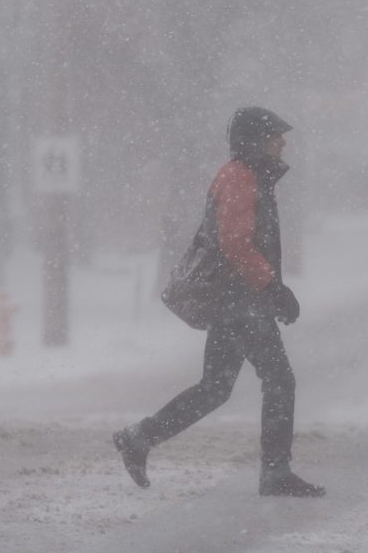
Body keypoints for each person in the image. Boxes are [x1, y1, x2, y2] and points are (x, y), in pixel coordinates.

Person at [113, 107, 323, 498]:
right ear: (255, 141)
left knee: (215, 387)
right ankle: (275, 472)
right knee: (279, 380)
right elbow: (234, 242)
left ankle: (139, 437)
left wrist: (269, 289)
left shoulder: (245, 175)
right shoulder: (240, 178)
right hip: (241, 301)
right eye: (275, 136)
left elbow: (237, 242)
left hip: (237, 300)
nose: (282, 143)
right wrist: (272, 287)